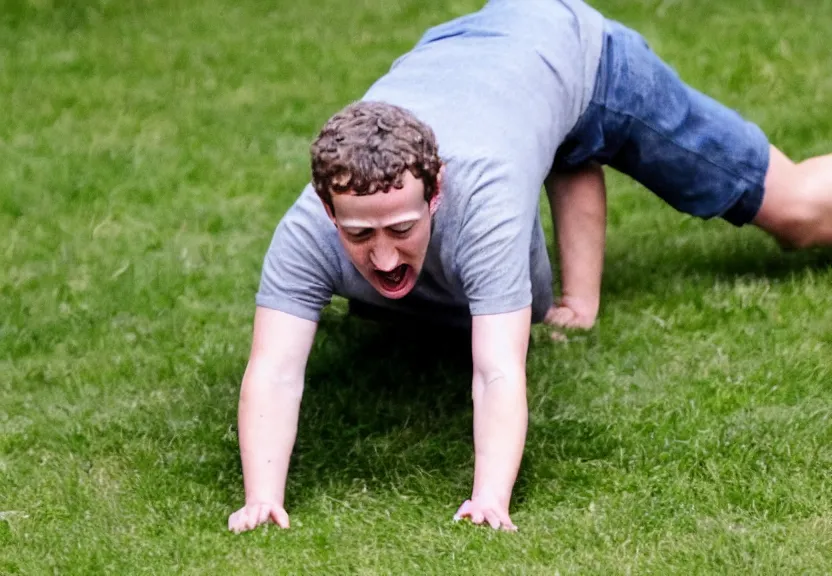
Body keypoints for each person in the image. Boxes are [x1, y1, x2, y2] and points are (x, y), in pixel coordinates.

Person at [228, 0, 832, 533]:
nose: (382, 256)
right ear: (330, 210)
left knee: (799, 212)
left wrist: (489, 498)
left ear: (436, 193)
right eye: (359, 235)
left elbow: (496, 371)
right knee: (438, 294)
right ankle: (578, 254)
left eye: (402, 229)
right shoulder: (307, 226)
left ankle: (581, 146)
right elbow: (275, 371)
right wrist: (262, 499)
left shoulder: (484, 203)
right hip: (469, 49)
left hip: (580, 52)